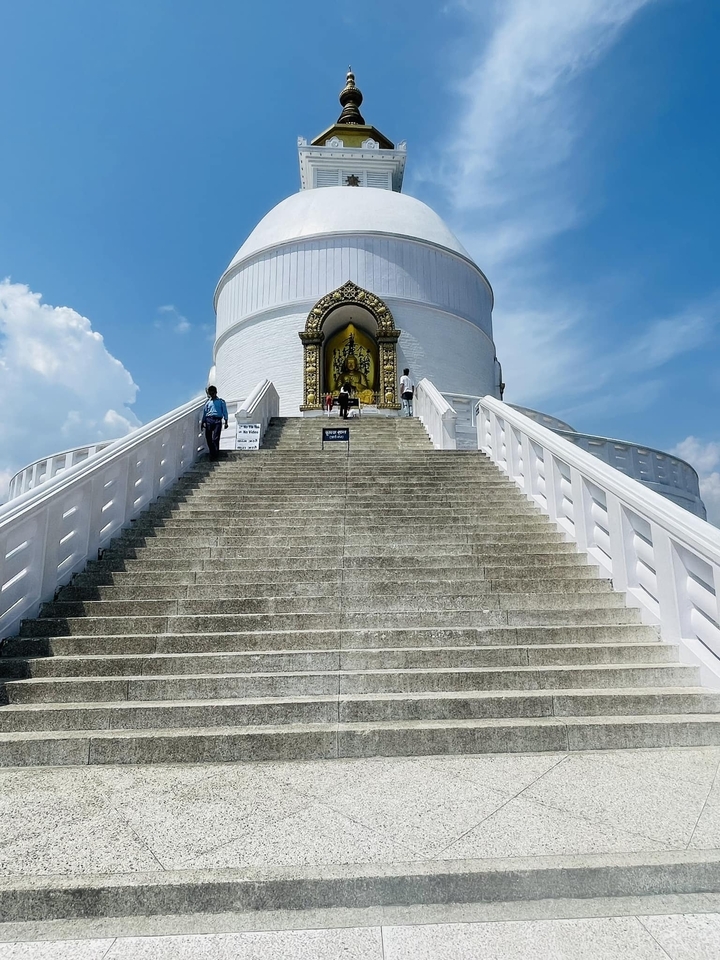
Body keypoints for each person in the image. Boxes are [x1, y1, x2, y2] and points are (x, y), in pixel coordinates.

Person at [201, 385, 228, 460]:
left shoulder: (221, 402)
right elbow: (205, 412)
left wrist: (226, 421)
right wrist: (203, 422)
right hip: (209, 420)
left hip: (217, 420)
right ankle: (212, 452)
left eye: (213, 393)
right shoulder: (208, 403)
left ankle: (215, 454)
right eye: (210, 393)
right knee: (208, 437)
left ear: (216, 393)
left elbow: (225, 411)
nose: (212, 395)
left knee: (215, 438)